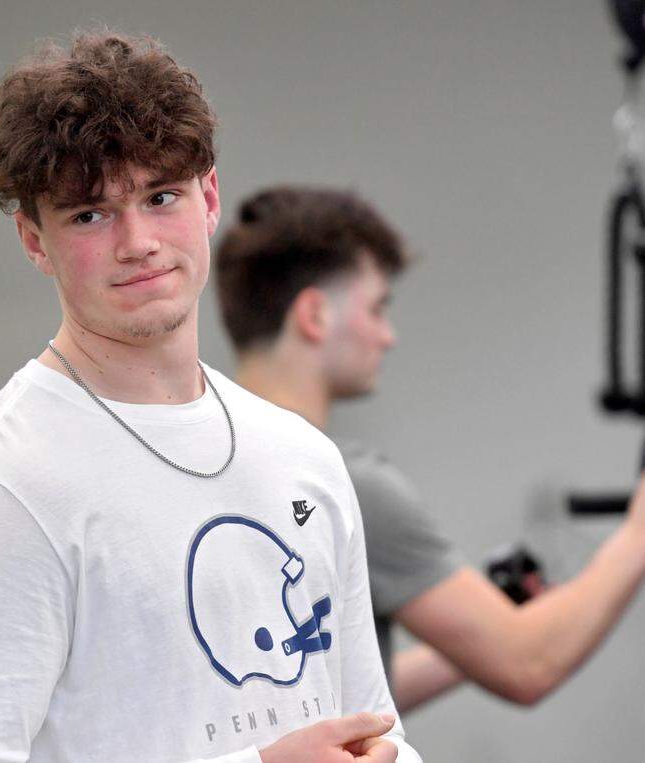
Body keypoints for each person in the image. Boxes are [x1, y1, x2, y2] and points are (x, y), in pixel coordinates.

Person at [0, 33, 419, 763]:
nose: (139, 242)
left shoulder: (302, 456)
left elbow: (377, 730)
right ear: (34, 239)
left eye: (161, 198)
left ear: (208, 197)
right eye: (90, 214)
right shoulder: (1, 491)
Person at [215, 184, 645, 713]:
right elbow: (529, 662)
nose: (388, 336)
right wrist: (638, 535)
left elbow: (319, 694)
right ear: (315, 316)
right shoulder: (344, 483)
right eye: (376, 309)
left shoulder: (202, 467)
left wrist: (460, 645)